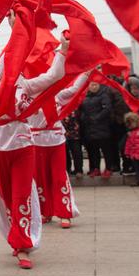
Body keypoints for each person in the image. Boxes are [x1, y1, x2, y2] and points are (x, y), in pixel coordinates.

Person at [0, 34, 68, 269]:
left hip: (22, 145)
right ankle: (15, 237)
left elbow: (55, 76)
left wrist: (64, 50)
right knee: (6, 196)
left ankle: (22, 244)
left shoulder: (26, 84)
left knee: (21, 194)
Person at [31, 72, 88, 228]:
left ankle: (64, 213)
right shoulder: (28, 96)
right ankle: (45, 212)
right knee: (41, 177)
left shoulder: (58, 96)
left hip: (56, 140)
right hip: (36, 141)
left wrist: (86, 72)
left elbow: (75, 89)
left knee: (59, 177)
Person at [78, 81, 118, 177]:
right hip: (89, 128)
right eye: (92, 85)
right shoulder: (85, 97)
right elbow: (81, 109)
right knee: (93, 150)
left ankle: (108, 168)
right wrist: (83, 118)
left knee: (106, 150)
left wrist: (97, 117)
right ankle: (96, 168)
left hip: (102, 127)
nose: (94, 87)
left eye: (96, 84)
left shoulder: (103, 95)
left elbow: (107, 109)